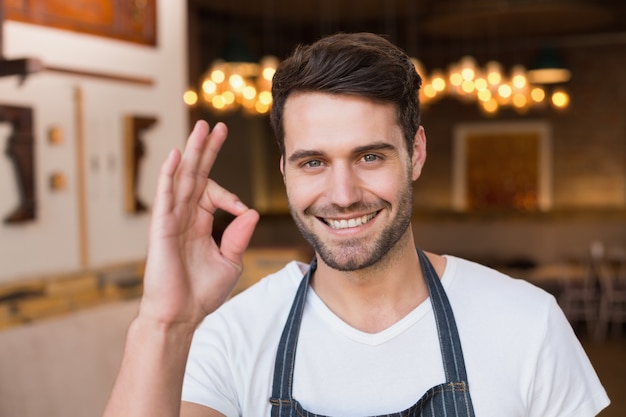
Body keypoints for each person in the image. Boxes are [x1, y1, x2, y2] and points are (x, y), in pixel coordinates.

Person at [103, 32, 610, 417]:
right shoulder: (232, 336)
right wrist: (163, 323)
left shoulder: (527, 324)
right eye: (313, 163)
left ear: (415, 154)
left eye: (369, 157)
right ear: (284, 170)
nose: (343, 196)